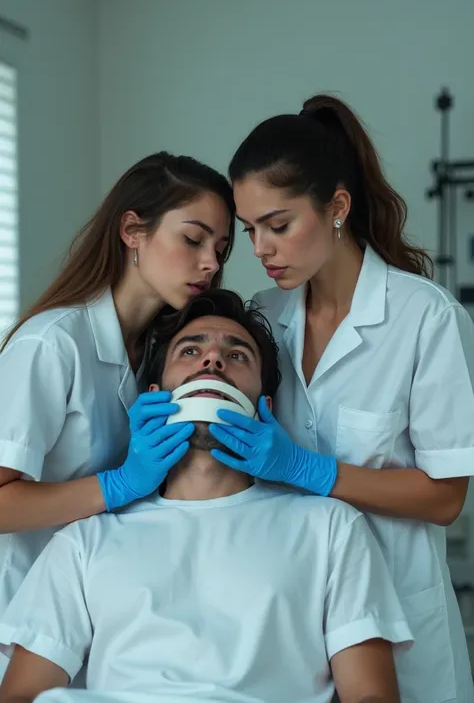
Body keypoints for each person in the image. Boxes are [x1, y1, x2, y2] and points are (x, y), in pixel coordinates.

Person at [0, 289, 412, 703]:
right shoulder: (84, 541)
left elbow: (371, 695)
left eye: (237, 356)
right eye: (190, 351)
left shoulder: (330, 529)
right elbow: (20, 694)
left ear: (263, 404)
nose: (212, 360)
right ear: (155, 394)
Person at [206, 94, 474, 703]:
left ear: (337, 208)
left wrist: (309, 470)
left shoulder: (424, 319)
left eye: (278, 225)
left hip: (399, 620)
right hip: (291, 611)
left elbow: (445, 498)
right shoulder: (265, 318)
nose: (260, 250)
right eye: (250, 231)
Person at [0, 152, 235, 680]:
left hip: (105, 625)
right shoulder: (53, 346)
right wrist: (119, 485)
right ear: (133, 230)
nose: (211, 264)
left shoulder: (160, 354)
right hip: (20, 625)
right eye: (193, 239)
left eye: (220, 249)